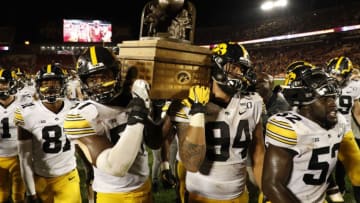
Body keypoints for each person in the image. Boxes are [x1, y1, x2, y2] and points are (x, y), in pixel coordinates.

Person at [167, 42, 265, 202]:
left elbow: (258, 155)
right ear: (217, 67)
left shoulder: (253, 102)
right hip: (201, 197)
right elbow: (191, 163)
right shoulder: (188, 103)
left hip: (240, 195)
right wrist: (197, 110)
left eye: (242, 69)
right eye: (234, 67)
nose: (240, 73)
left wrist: (266, 190)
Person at [63, 46, 163, 202]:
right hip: (112, 194)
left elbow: (155, 142)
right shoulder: (80, 115)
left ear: (117, 74)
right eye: (93, 80)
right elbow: (114, 167)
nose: (100, 84)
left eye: (104, 76)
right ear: (84, 83)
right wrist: (138, 113)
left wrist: (154, 106)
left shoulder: (129, 100)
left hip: (144, 187)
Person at [262, 66, 360, 202]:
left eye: (332, 97)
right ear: (305, 102)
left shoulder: (339, 122)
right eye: (325, 99)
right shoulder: (289, 127)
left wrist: (337, 197)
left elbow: (319, 166)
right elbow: (272, 185)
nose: (333, 104)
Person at [14, 63, 81, 203]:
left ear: (63, 85)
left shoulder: (76, 109)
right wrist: (30, 192)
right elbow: (24, 158)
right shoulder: (26, 113)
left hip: (68, 175)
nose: (50, 87)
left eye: (55, 82)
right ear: (38, 86)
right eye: (46, 83)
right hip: (41, 177)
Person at [325, 56, 360, 202]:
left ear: (347, 75)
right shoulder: (322, 85)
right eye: (332, 73)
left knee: (357, 167)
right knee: (323, 168)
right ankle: (334, 190)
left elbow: (357, 112)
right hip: (325, 132)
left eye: (338, 74)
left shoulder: (356, 86)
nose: (334, 77)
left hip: (345, 132)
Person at [0, 68, 26, 203]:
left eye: (4, 83)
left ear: (11, 83)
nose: (1, 86)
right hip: (0, 156)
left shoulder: (22, 103)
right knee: (2, 195)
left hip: (18, 156)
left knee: (19, 196)